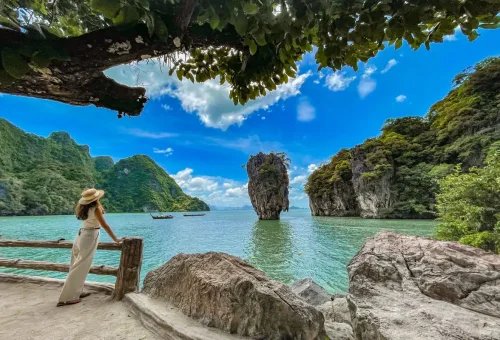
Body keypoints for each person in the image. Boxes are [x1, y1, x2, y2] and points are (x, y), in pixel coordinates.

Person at [57, 188, 121, 307]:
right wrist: (115, 239)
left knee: (75, 264)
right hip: (89, 236)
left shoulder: (84, 208)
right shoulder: (96, 209)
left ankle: (77, 291)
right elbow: (105, 225)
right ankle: (67, 298)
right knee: (80, 266)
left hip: (81, 235)